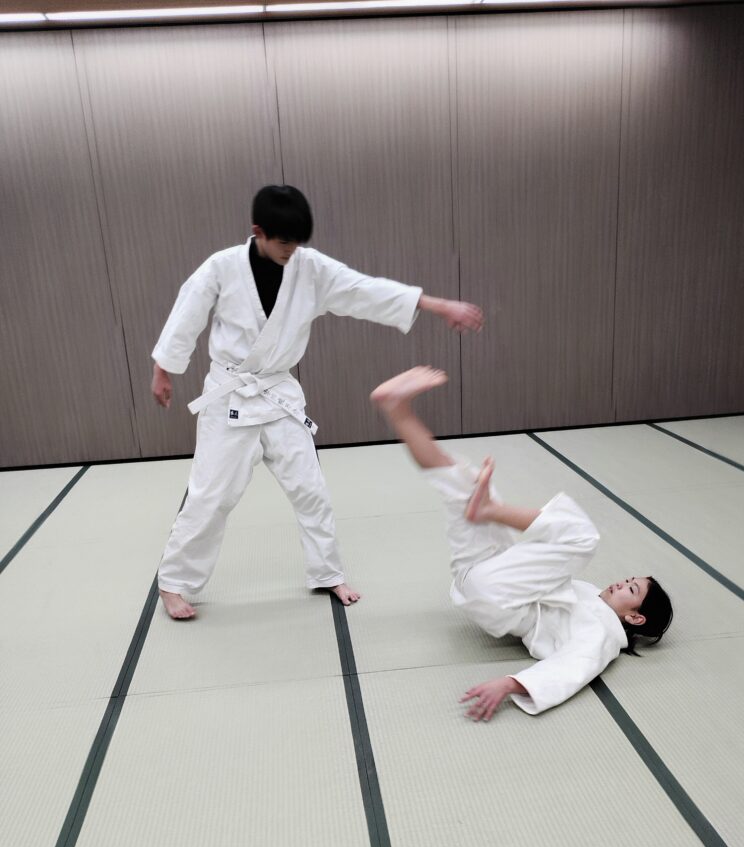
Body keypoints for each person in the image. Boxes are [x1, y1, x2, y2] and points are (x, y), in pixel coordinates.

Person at [151, 186, 483, 619]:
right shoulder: (221, 267)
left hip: (278, 395)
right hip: (230, 395)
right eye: (283, 242)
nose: (291, 251)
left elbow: (365, 290)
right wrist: (163, 369)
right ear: (258, 231)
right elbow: (186, 315)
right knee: (210, 496)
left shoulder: (311, 269)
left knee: (311, 490)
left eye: (297, 243)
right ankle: (174, 583)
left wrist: (438, 306)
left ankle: (327, 572)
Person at [370, 366, 673, 718]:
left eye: (631, 589)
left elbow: (573, 669)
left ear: (635, 618)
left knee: (584, 538)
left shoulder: (602, 634)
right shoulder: (591, 595)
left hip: (501, 599)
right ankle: (397, 409)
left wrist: (510, 683)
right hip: (484, 579)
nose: (622, 582)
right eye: (629, 579)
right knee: (463, 483)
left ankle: (490, 509)